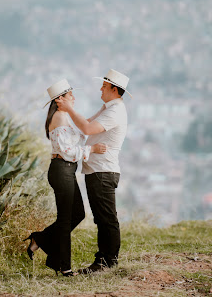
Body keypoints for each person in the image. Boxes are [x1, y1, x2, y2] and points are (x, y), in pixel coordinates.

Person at [24, 79, 107, 277]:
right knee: (65, 219)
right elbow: (67, 151)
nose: (74, 98)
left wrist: (98, 116)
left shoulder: (64, 116)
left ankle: (40, 239)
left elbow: (80, 133)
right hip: (62, 169)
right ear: (60, 99)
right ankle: (64, 267)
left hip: (67, 171)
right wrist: (92, 149)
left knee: (77, 214)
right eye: (71, 95)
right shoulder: (60, 118)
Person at [55, 69, 131, 273]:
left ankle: (107, 261)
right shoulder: (107, 108)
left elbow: (88, 129)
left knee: (106, 217)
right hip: (96, 170)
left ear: (114, 90)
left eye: (105, 86)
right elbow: (86, 124)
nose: (101, 89)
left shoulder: (114, 111)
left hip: (103, 171)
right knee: (101, 217)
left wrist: (69, 109)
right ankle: (104, 259)